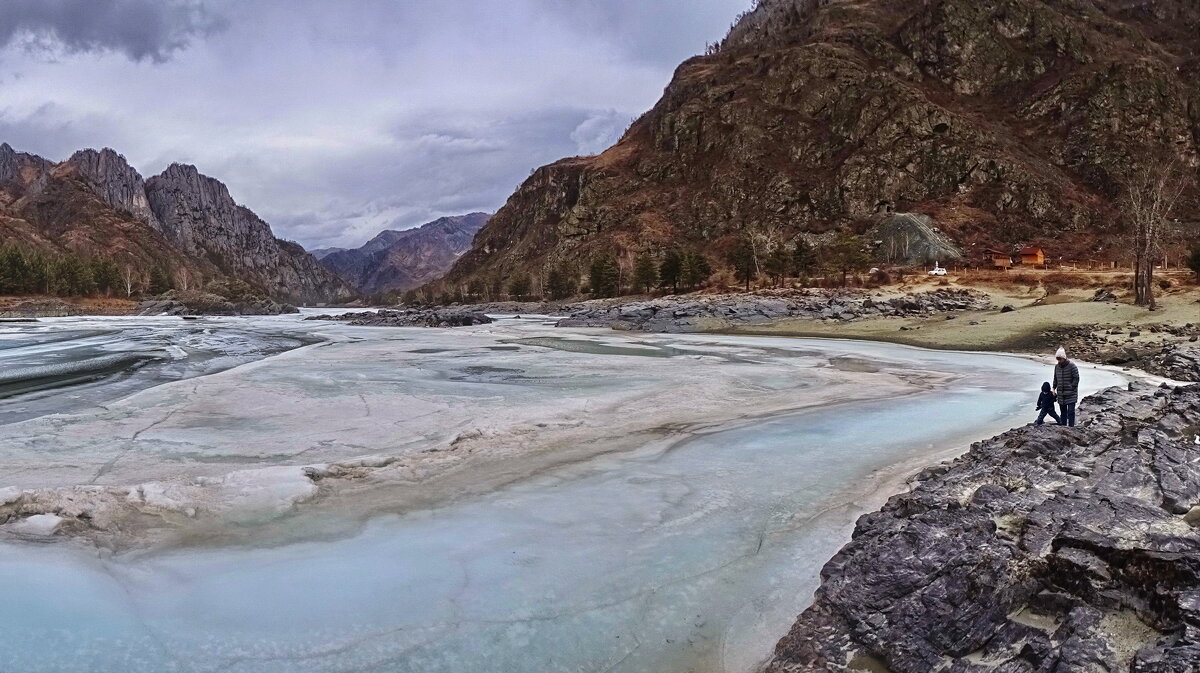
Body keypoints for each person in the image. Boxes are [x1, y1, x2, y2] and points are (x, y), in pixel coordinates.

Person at [1052, 346, 1080, 427]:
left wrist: (1072, 387)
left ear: (1064, 357)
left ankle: (1071, 427)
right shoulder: (1056, 367)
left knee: (1071, 412)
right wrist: (1053, 388)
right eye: (1057, 359)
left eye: (1060, 359)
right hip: (1061, 394)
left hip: (1071, 393)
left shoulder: (1072, 366)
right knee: (1063, 412)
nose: (1058, 361)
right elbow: (1055, 378)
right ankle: (1063, 427)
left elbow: (1076, 378)